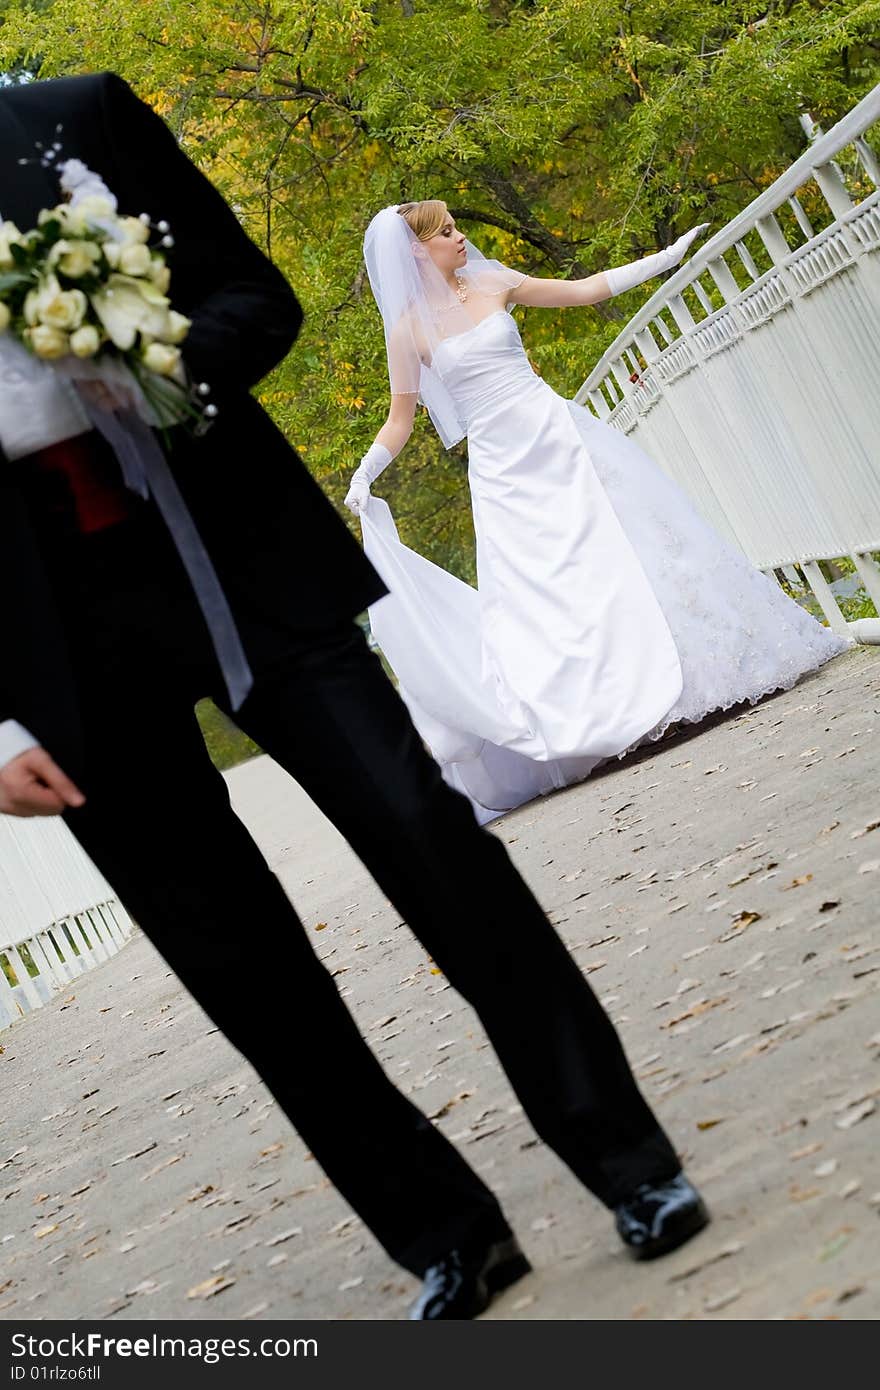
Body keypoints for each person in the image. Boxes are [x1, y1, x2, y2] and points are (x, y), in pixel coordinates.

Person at [0, 73, 708, 1321]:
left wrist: (146, 360)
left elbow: (255, 300)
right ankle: (443, 1233)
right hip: (52, 651)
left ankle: (627, 1159)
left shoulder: (76, 119)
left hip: (238, 559)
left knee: (428, 836)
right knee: (239, 965)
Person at [345, 203, 850, 824]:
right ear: (417, 251)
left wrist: (664, 260)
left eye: (455, 226)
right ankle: (599, 713)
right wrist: (367, 472)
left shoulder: (494, 279)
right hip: (502, 470)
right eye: (446, 232)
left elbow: (584, 291)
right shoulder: (409, 331)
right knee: (545, 589)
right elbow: (401, 420)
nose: (460, 237)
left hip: (556, 436)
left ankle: (688, 681)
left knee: (624, 548)